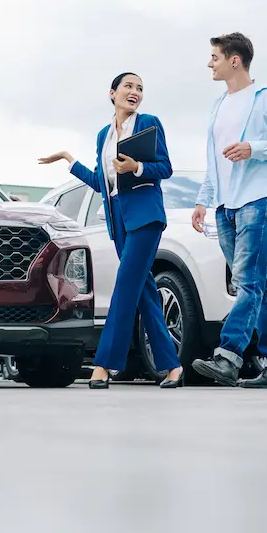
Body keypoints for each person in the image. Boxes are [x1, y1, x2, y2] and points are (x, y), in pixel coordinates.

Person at [39, 72, 184, 389]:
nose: (135, 92)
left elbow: (166, 167)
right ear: (112, 93)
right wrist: (69, 159)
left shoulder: (149, 122)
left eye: (140, 88)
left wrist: (136, 167)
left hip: (145, 216)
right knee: (144, 293)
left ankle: (104, 364)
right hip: (118, 220)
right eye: (129, 87)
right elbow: (102, 185)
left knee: (125, 286)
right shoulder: (103, 135)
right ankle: (172, 366)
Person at [190, 32, 267, 388]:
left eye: (215, 57)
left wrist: (253, 148)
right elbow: (213, 162)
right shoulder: (217, 105)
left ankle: (228, 356)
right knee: (256, 284)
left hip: (258, 199)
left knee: (248, 281)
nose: (210, 63)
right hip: (226, 206)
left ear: (234, 60)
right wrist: (202, 201)